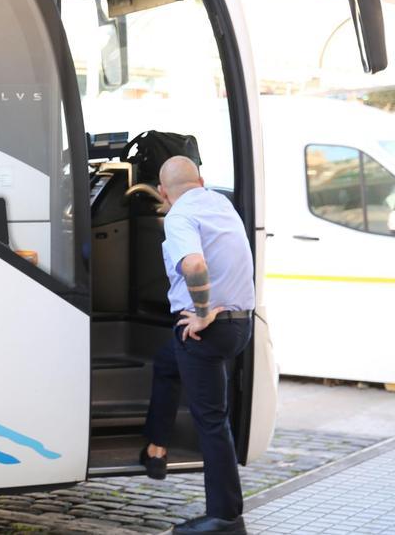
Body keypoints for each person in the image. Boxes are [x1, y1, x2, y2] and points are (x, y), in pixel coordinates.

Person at [139, 156, 255, 534]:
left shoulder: (178, 217)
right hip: (239, 325)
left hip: (206, 330)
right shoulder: (221, 204)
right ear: (201, 181)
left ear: (162, 192)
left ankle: (225, 517)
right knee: (167, 361)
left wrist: (202, 311)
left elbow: (193, 265)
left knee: (212, 421)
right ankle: (156, 448)